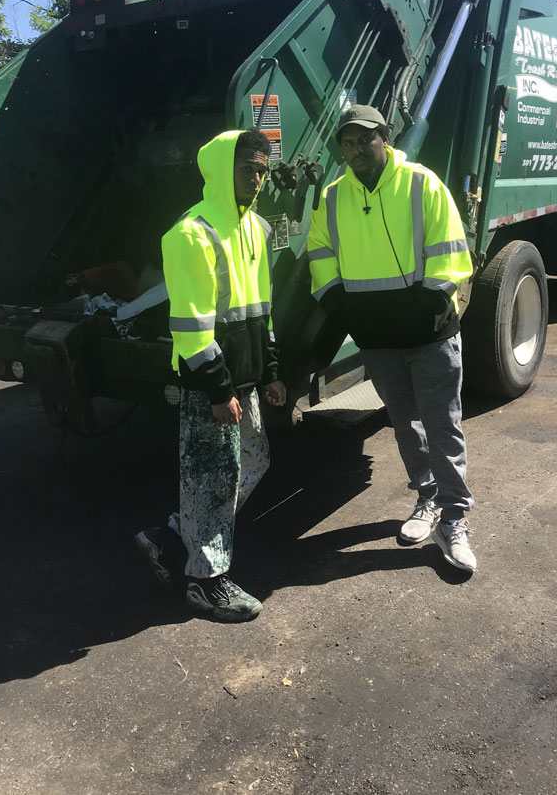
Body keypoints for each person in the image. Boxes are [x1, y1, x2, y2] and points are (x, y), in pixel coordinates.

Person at [308, 105, 477, 572]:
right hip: (377, 339)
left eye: (365, 139)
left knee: (443, 423)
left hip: (429, 335)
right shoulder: (333, 196)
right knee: (405, 423)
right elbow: (319, 252)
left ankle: (454, 518)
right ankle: (427, 500)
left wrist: (429, 302)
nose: (356, 149)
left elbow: (451, 247)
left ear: (385, 138)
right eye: (347, 142)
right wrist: (338, 303)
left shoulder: (421, 183)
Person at [135, 129, 286, 621]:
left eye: (263, 170)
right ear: (222, 169)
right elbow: (192, 329)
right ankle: (206, 582)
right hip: (211, 385)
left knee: (253, 461)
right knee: (214, 478)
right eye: (248, 168)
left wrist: (271, 371)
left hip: (245, 378)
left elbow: (263, 309)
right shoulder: (191, 234)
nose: (258, 178)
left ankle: (174, 534)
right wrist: (218, 390)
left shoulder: (257, 228)